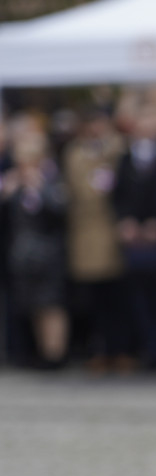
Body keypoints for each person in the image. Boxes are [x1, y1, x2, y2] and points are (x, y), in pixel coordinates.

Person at [63, 107, 131, 372]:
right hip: (87, 235)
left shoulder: (117, 149)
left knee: (118, 297)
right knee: (93, 299)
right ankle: (100, 350)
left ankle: (121, 349)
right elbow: (82, 190)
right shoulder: (76, 153)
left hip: (113, 235)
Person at [112, 105, 156, 369]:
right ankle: (147, 349)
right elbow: (118, 195)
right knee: (138, 298)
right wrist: (125, 222)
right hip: (134, 242)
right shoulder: (125, 159)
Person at [1, 129, 70, 369]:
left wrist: (40, 189)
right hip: (23, 256)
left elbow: (59, 213)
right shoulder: (14, 184)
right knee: (33, 307)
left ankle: (55, 355)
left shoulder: (52, 181)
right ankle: (42, 352)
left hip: (50, 255)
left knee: (52, 305)